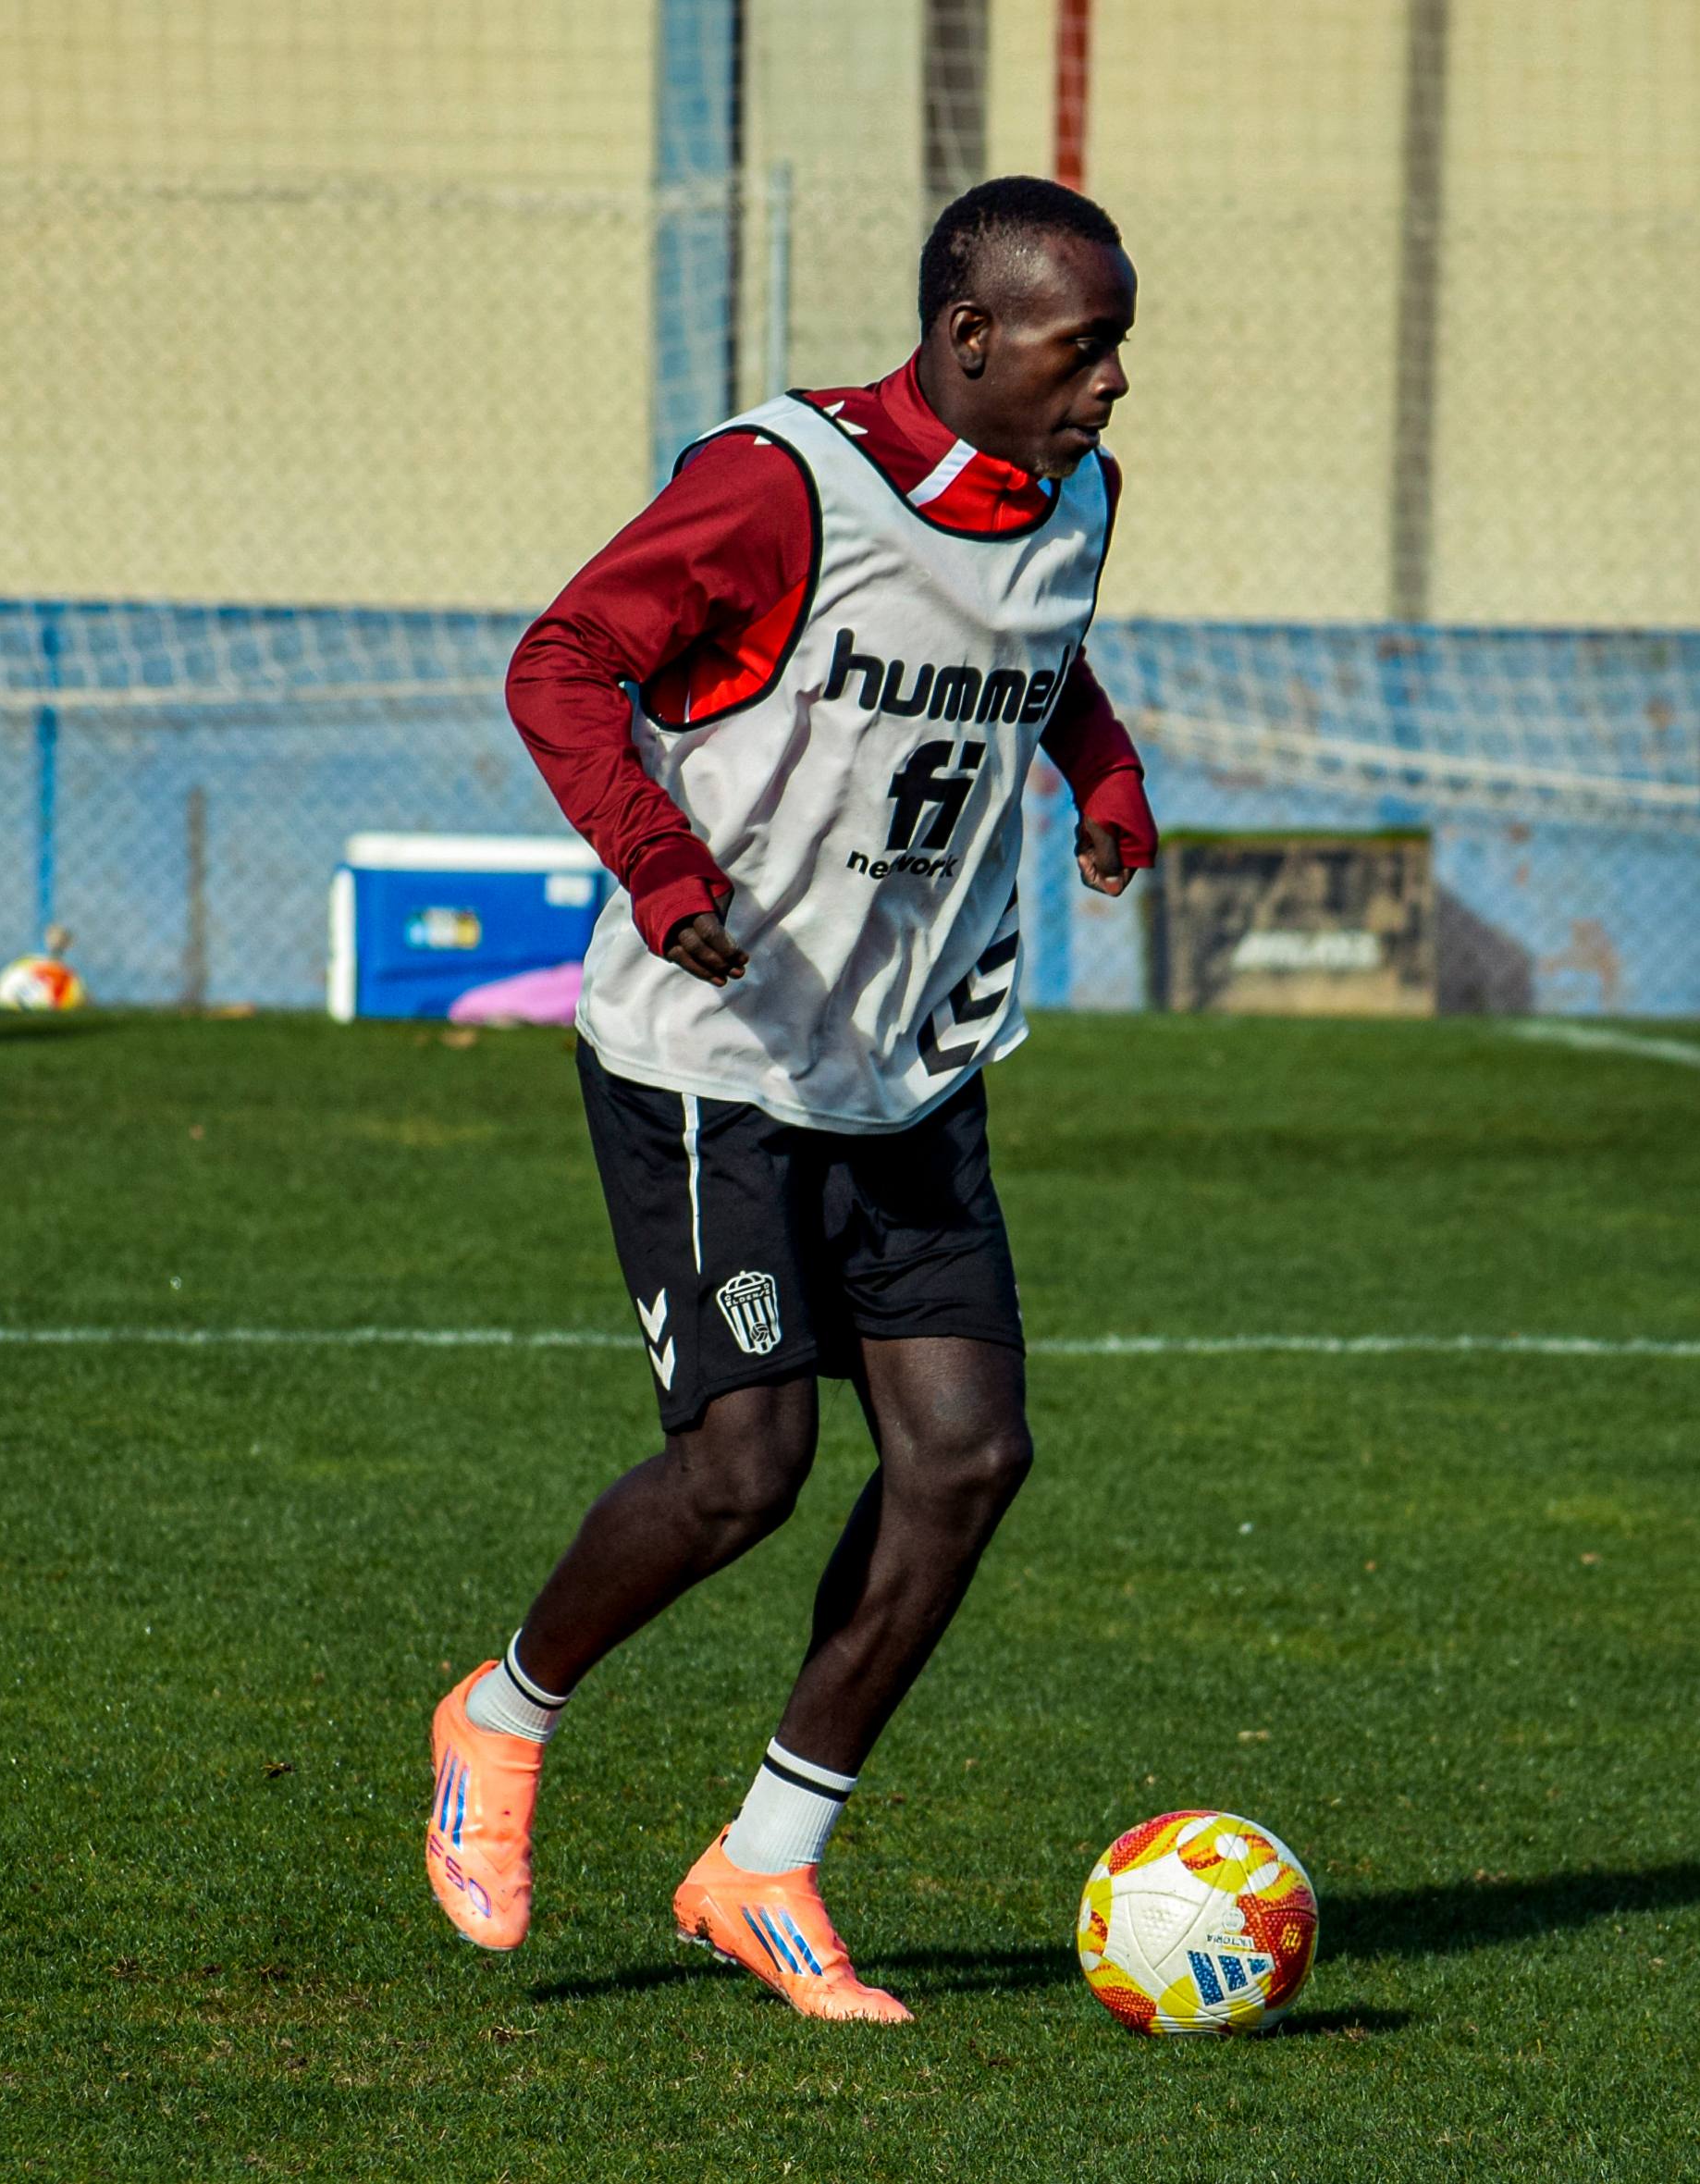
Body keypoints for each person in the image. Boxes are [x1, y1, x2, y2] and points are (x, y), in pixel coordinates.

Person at [425, 175, 1156, 2024]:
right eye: (1086, 350)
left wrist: (1108, 774)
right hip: (718, 1062)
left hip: (911, 1061)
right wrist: (666, 873)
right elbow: (562, 660)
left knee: (969, 1459)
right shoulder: (779, 487)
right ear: (970, 338)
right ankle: (502, 1710)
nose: (1114, 385)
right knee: (745, 1465)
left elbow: (1039, 654)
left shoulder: (1079, 495)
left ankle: (765, 1861)